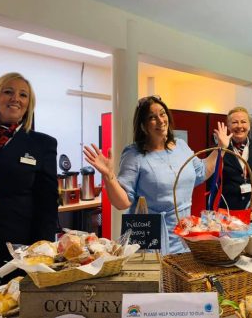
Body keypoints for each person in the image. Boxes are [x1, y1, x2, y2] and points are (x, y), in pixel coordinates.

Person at [84, 95, 230, 254]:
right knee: (155, 278)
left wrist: (220, 149)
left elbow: (201, 172)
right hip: (151, 239)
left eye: (162, 114)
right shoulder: (134, 154)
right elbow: (123, 202)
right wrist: (109, 176)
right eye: (152, 117)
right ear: (143, 125)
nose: (160, 120)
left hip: (184, 236)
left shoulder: (181, 146)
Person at [0, 72, 58, 280]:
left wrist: (42, 250)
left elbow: (47, 202)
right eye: (8, 92)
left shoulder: (43, 144)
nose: (15, 99)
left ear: (28, 105)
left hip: (20, 246)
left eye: (23, 95)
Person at [220, 106, 252, 210]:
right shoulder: (219, 150)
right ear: (228, 126)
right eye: (234, 122)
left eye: (243, 122)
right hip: (229, 210)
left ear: (250, 125)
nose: (239, 126)